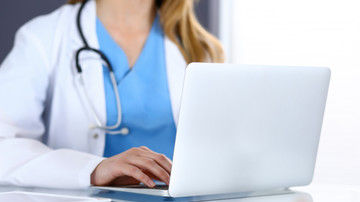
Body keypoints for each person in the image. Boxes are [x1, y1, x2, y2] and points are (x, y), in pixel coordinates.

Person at [0, 0, 224, 189]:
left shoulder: (201, 49)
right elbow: (4, 145)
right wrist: (92, 170)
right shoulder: (45, 38)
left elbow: (224, 155)